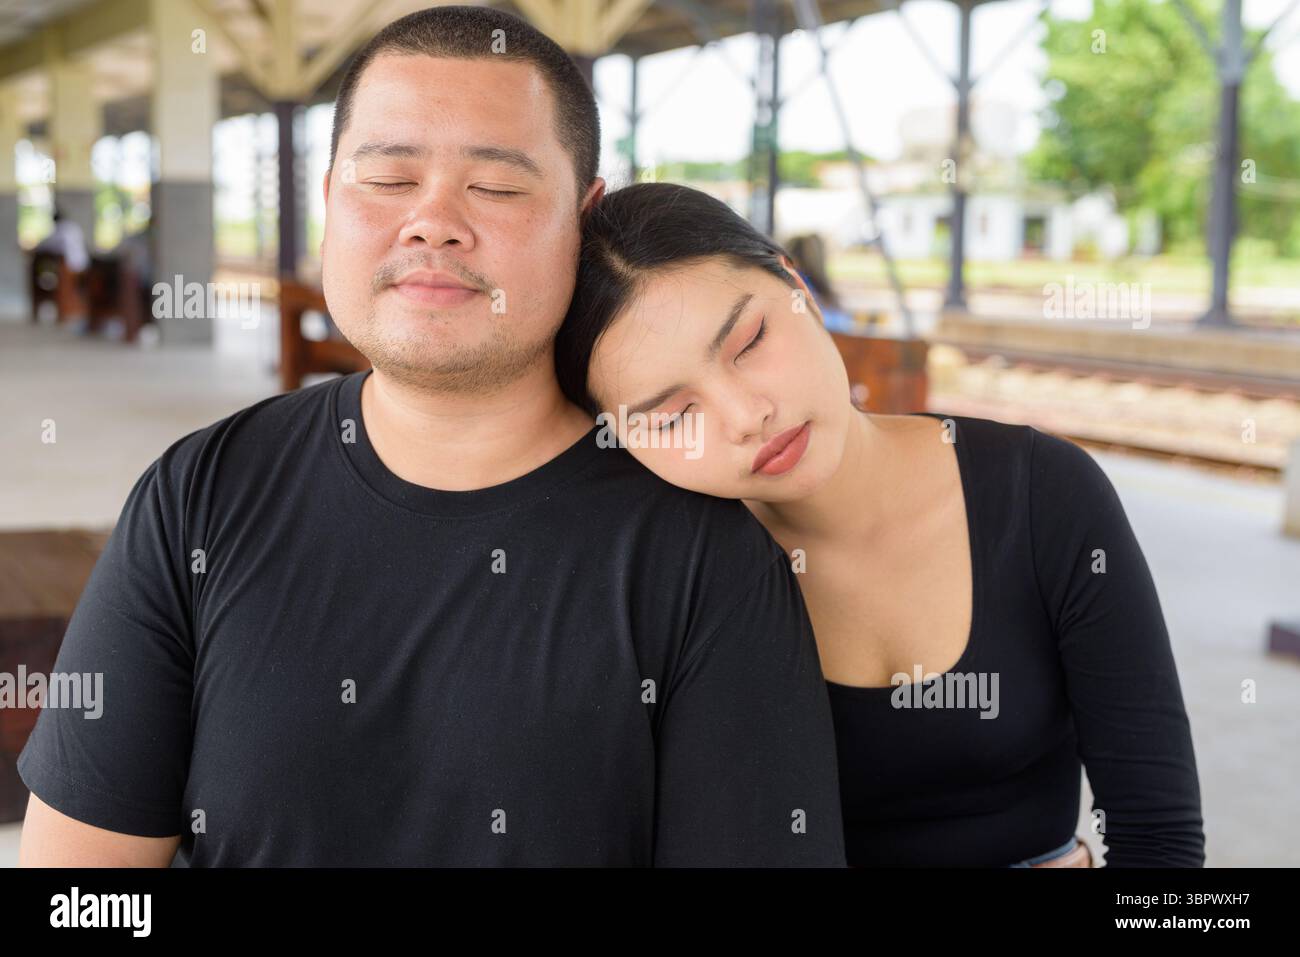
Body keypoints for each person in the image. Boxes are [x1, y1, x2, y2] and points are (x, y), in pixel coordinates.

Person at [16, 6, 845, 867]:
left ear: (583, 219)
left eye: (496, 186)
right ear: (331, 195)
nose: (433, 222)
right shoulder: (199, 495)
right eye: (387, 179)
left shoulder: (700, 556)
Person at [554, 182, 1207, 867]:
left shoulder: (1042, 493)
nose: (746, 414)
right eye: (671, 417)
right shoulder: (668, 581)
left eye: (747, 342)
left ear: (795, 281)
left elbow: (1159, 837)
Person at [33, 207, 90, 273]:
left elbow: (48, 243)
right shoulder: (74, 226)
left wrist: (37, 247)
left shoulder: (61, 228)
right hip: (83, 261)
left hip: (70, 264)